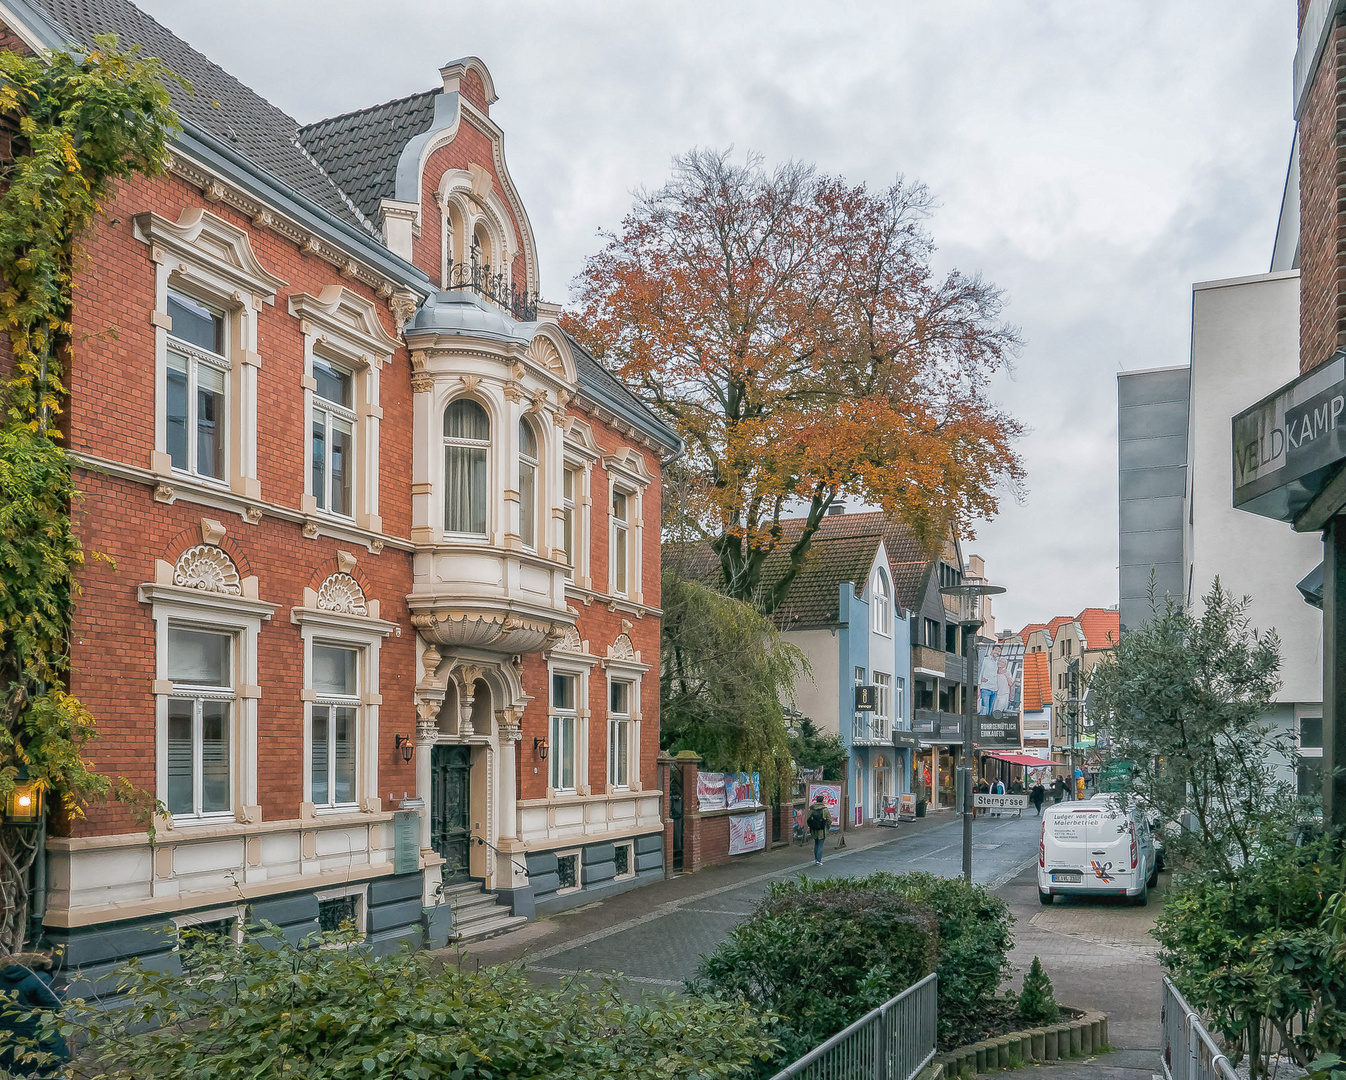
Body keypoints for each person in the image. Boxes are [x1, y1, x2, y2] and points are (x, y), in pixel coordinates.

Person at [807, 795, 830, 865]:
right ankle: (819, 860)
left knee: (816, 843)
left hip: (814, 830)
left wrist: (811, 826)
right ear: (822, 801)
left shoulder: (812, 809)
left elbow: (808, 819)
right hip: (822, 830)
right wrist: (827, 826)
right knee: (820, 844)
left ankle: (816, 859)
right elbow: (829, 820)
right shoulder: (825, 809)